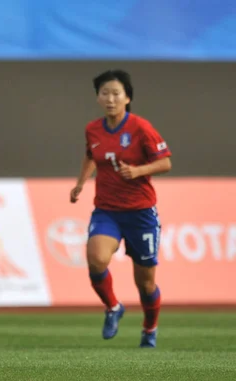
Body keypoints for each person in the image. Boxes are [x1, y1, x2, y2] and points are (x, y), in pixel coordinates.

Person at [70, 69, 172, 348]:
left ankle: (150, 328)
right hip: (107, 210)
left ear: (127, 97)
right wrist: (80, 183)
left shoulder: (141, 127)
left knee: (146, 284)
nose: (110, 98)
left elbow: (165, 162)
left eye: (116, 93)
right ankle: (113, 306)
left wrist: (139, 170)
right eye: (105, 93)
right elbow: (91, 155)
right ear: (98, 98)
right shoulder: (93, 129)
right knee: (95, 258)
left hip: (141, 213)